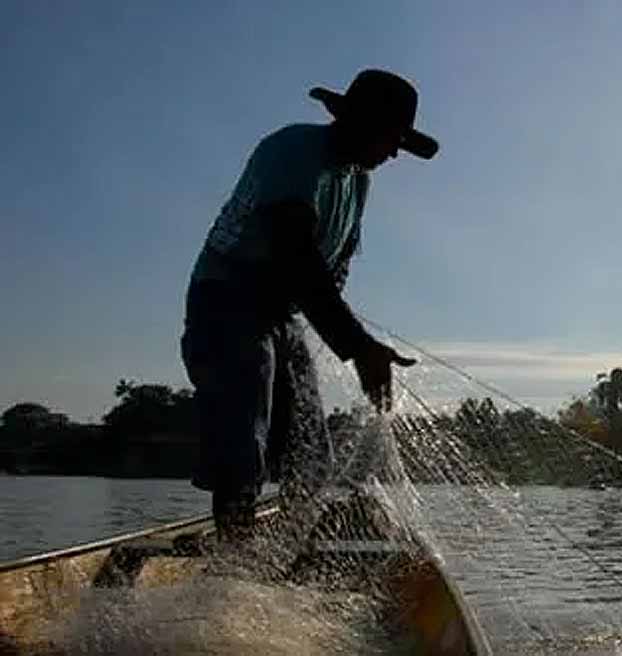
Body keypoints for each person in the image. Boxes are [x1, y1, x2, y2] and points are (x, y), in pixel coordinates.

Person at [181, 69, 437, 539]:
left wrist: (355, 342)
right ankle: (233, 560)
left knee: (310, 450)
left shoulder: (358, 182)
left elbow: (330, 273)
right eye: (389, 138)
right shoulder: (294, 152)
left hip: (282, 313)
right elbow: (296, 258)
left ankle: (292, 548)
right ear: (356, 123)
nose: (394, 152)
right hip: (227, 299)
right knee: (242, 432)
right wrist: (358, 347)